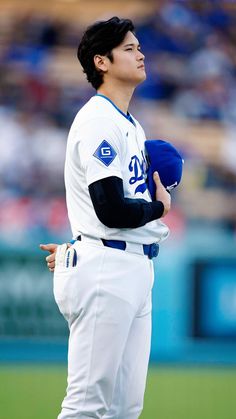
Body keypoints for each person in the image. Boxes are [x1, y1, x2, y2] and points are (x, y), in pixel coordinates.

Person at [40, 16, 171, 419]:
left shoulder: (130, 123)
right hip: (106, 267)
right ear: (102, 62)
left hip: (132, 265)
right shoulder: (98, 118)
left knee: (124, 409)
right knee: (86, 406)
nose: (140, 53)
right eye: (129, 48)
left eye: (138, 46)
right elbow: (110, 209)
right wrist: (160, 208)